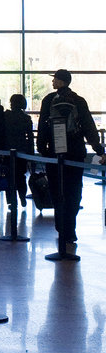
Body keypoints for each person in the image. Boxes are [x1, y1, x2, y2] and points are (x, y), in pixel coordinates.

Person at [37, 69, 106, 252]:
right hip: (75, 152)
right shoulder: (79, 101)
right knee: (73, 192)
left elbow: (43, 125)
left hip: (53, 153)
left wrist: (42, 148)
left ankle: (61, 228)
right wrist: (99, 150)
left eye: (55, 80)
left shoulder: (48, 100)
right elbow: (89, 127)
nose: (53, 83)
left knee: (56, 191)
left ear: (60, 81)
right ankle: (70, 230)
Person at [3, 94, 34, 207]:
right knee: (21, 175)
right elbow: (30, 137)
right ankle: (22, 196)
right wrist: (31, 153)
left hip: (7, 151)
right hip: (22, 151)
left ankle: (12, 201)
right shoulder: (26, 118)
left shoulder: (6, 116)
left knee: (9, 176)